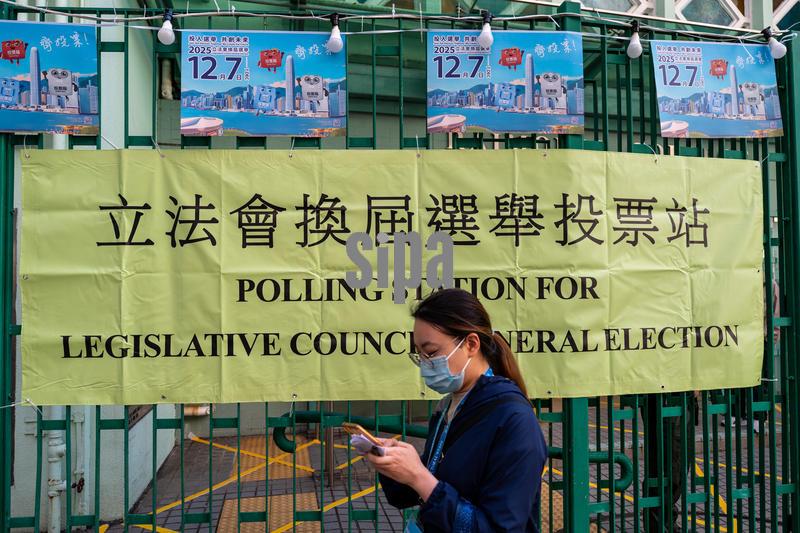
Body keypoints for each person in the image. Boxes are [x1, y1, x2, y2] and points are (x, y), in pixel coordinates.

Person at [363, 288, 548, 532]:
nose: (425, 365)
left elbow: (499, 527)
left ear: (471, 344)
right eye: (420, 355)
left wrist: (419, 476)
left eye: (431, 353)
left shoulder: (514, 420)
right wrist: (396, 466)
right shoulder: (449, 405)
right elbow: (433, 483)